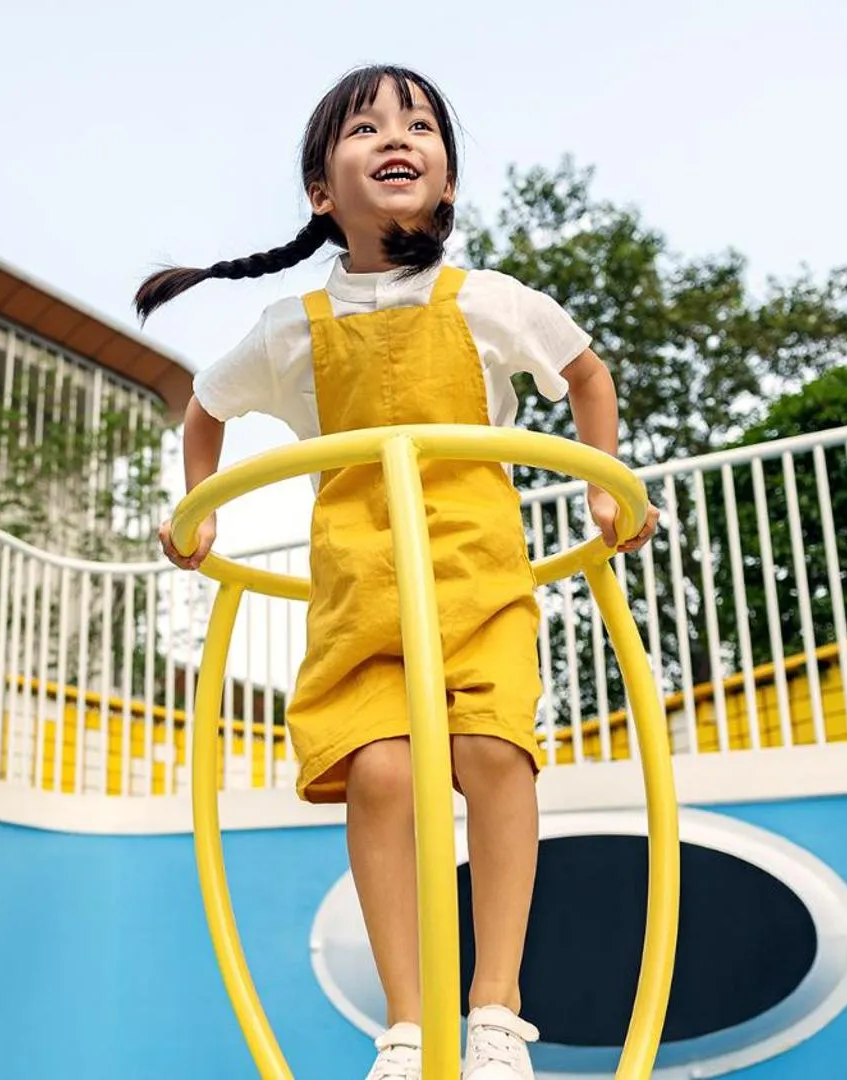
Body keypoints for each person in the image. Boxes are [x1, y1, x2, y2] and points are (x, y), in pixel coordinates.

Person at [141, 65, 660, 1080]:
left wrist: (604, 489)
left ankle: (497, 1010)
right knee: (377, 774)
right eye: (367, 126)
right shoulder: (291, 326)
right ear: (320, 192)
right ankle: (407, 1024)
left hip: (474, 578)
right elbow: (205, 406)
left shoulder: (488, 302)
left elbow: (584, 374)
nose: (398, 135)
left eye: (419, 126)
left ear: (446, 183)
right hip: (361, 589)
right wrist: (193, 509)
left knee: (493, 757)